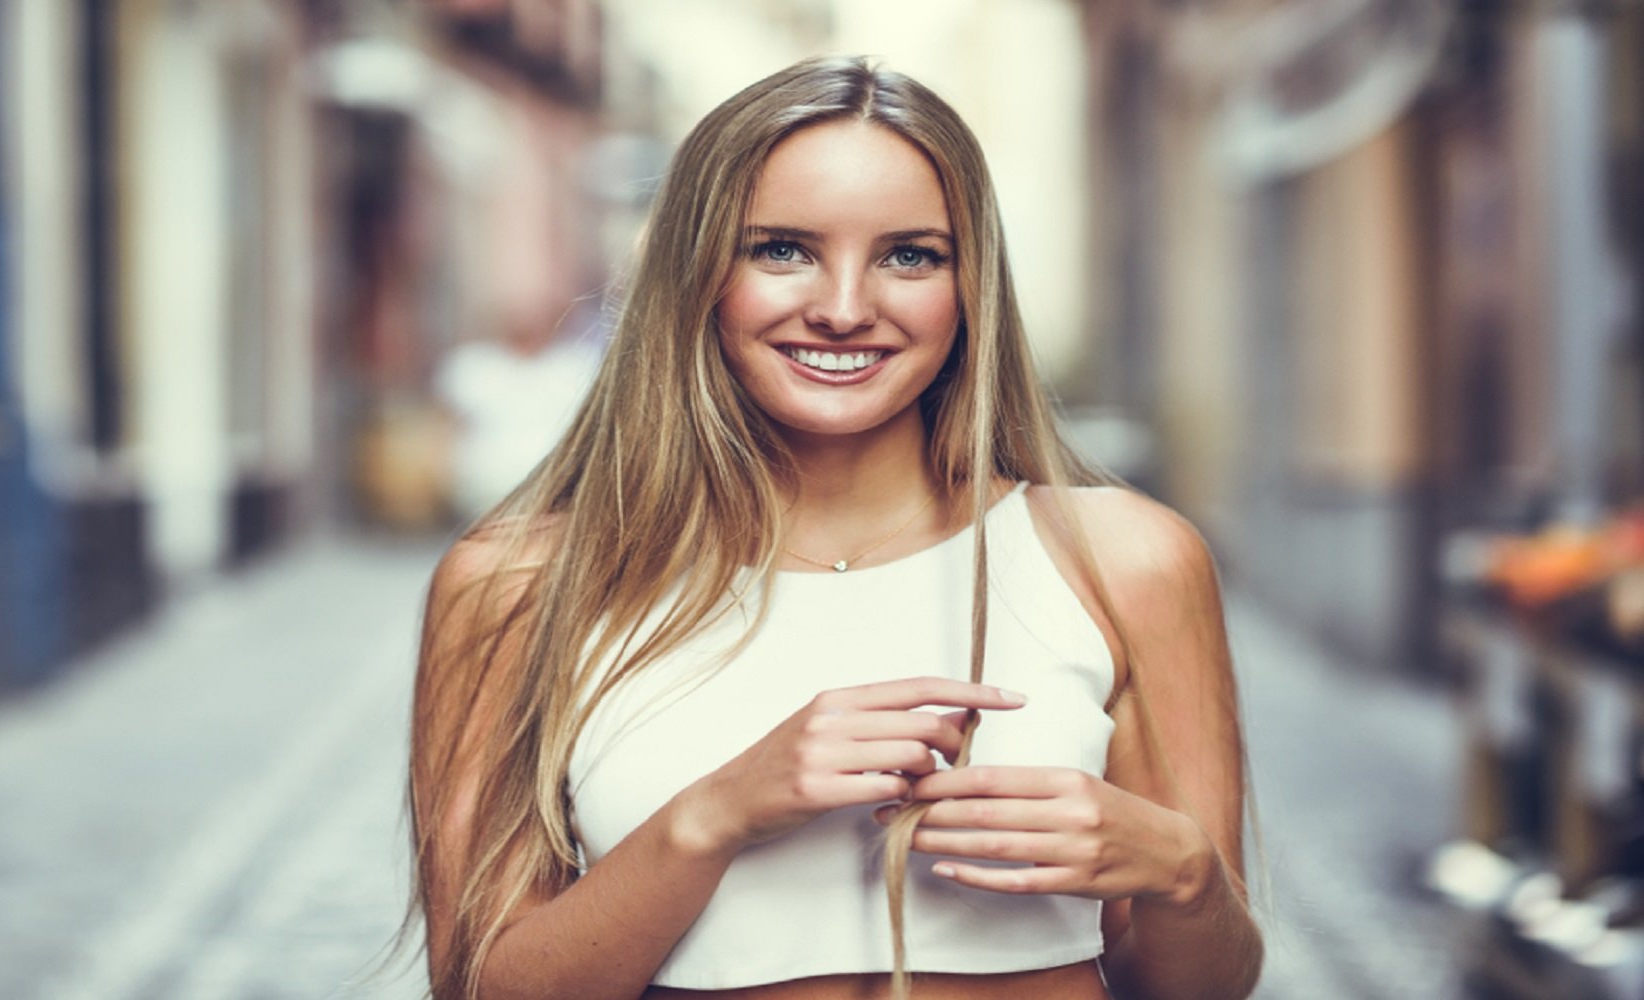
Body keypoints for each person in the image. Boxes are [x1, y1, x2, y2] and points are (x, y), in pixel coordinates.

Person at [408, 56, 1262, 1000]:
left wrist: (1183, 871)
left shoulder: (1127, 561)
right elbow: (482, 988)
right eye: (781, 248)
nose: (846, 309)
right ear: (696, 272)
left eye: (910, 255)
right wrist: (715, 815)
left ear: (969, 285)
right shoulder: (519, 582)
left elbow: (1207, 989)